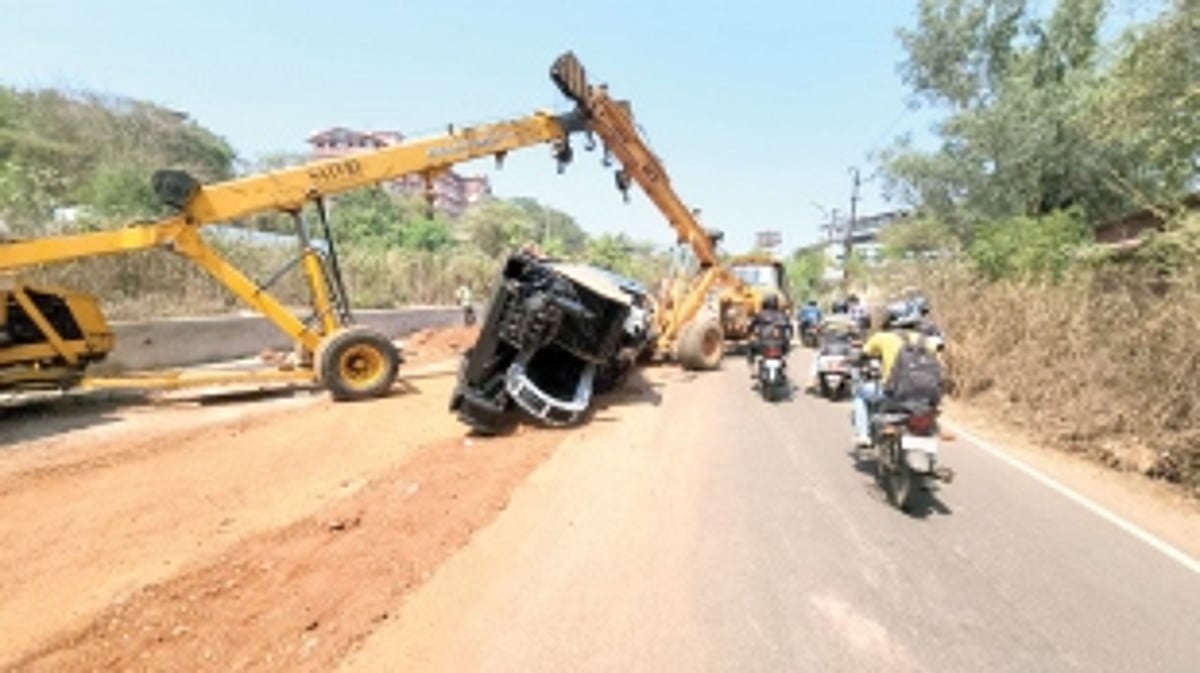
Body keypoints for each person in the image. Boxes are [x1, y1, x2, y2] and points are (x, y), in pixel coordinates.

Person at [850, 307, 942, 447]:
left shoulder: (882, 337)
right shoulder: (925, 340)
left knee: (860, 394)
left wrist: (857, 362)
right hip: (925, 396)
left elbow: (863, 354)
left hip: (893, 392)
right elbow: (939, 355)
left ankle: (863, 435)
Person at [746, 294, 792, 371]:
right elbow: (790, 328)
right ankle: (783, 363)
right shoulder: (783, 315)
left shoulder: (760, 314)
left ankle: (752, 367)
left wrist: (750, 334)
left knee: (750, 347)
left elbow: (751, 326)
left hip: (763, 344)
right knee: (786, 351)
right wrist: (787, 339)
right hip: (781, 344)